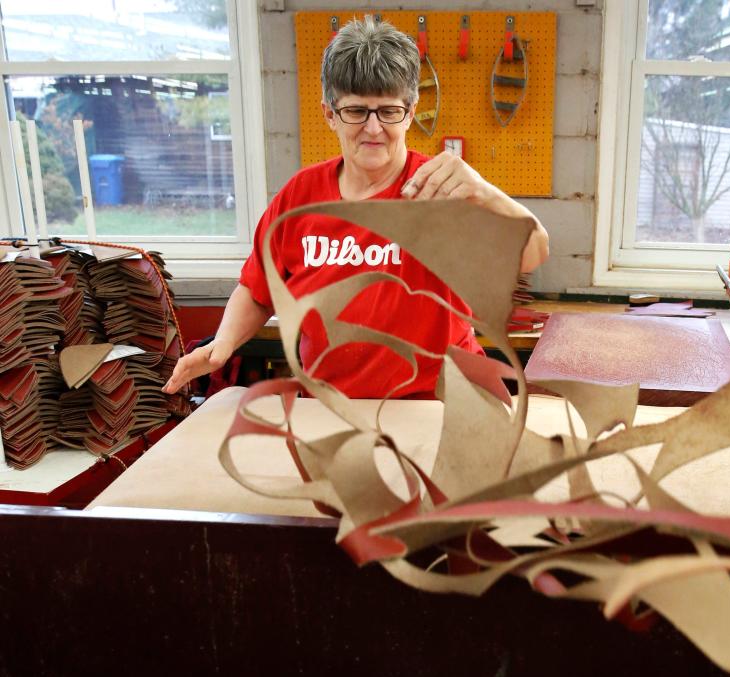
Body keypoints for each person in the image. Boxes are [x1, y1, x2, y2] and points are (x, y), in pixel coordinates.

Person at [163, 16, 548, 399]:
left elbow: (533, 253)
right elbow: (259, 290)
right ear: (330, 113)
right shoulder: (300, 198)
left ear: (410, 111)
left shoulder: (441, 189)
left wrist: (485, 192)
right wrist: (224, 344)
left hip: (438, 406)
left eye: (389, 111)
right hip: (334, 410)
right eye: (357, 111)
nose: (374, 128)